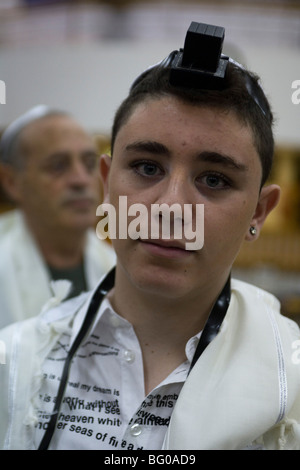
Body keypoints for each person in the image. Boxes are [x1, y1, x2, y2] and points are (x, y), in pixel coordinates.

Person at [1, 22, 300, 451]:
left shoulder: (291, 382)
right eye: (147, 167)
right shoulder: (15, 365)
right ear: (106, 185)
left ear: (258, 211)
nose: (170, 208)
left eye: (214, 179)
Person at [0, 105, 115, 328]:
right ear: (12, 182)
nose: (81, 180)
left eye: (89, 163)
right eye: (59, 166)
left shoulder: (117, 267)